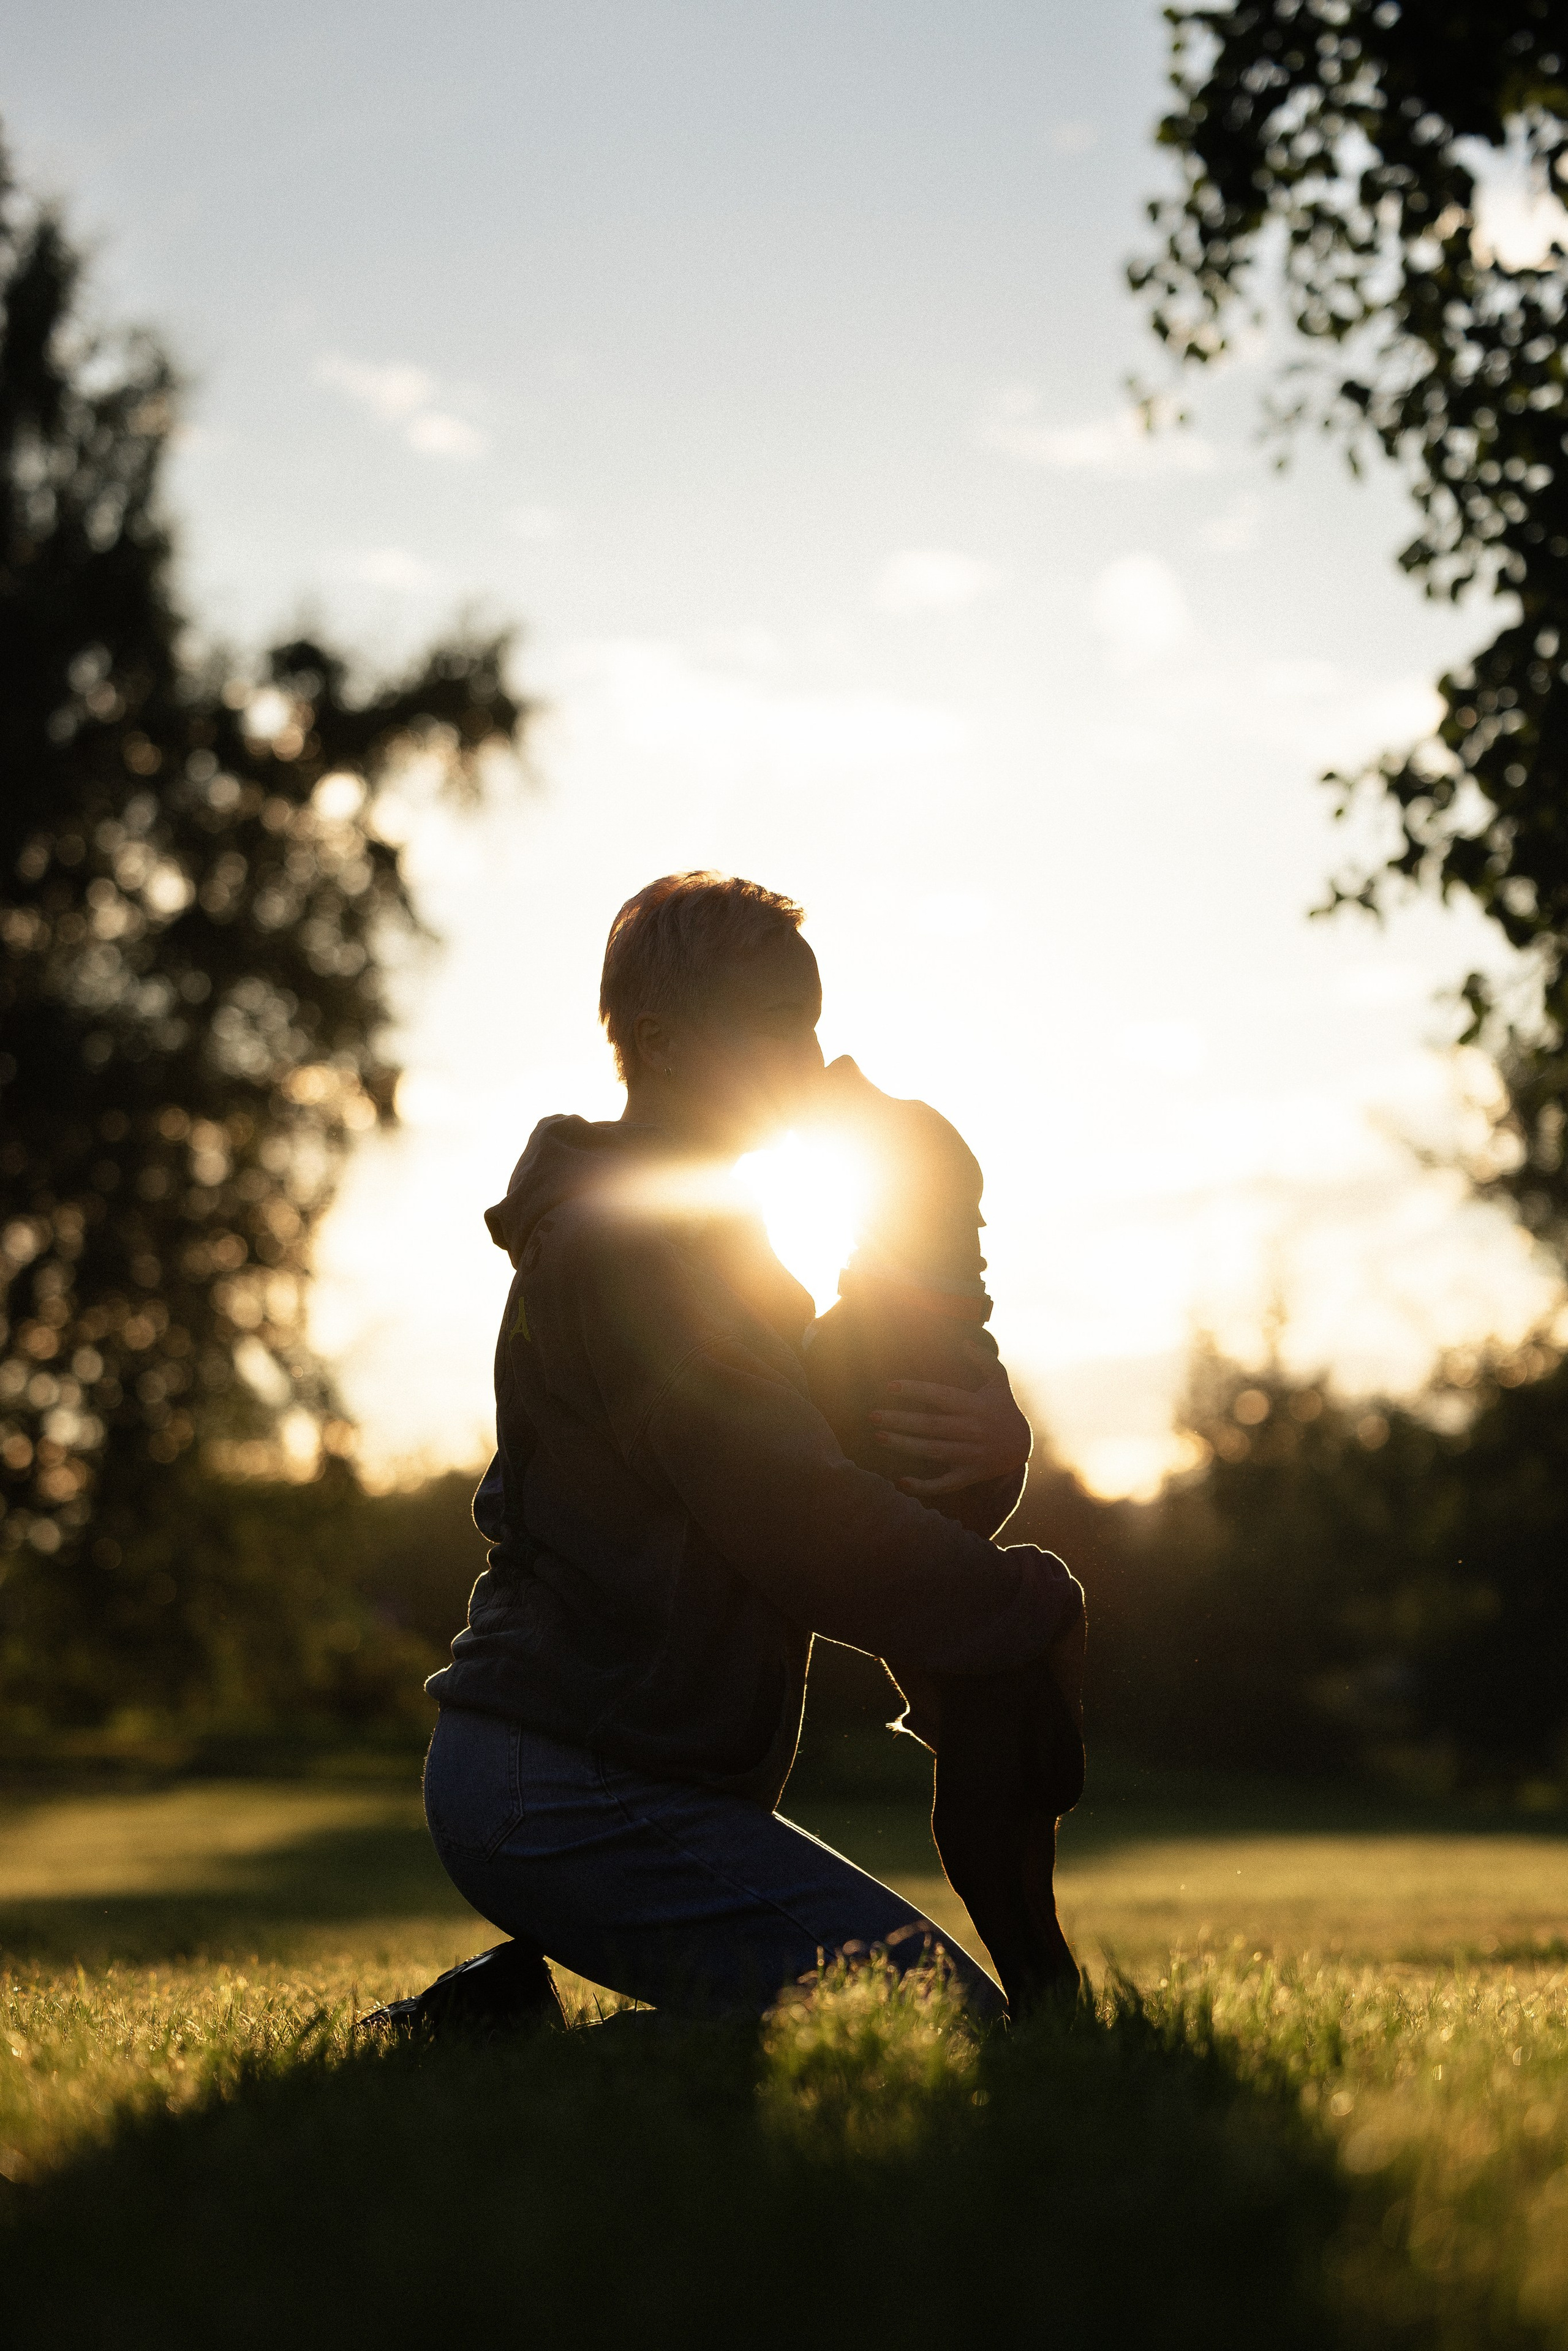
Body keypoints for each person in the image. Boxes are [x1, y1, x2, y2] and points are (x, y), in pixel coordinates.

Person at [369, 872, 1083, 2034]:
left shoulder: (714, 1249)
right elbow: (798, 1514)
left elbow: (850, 1444)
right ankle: (465, 2058)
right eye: (771, 1027)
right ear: (658, 1040)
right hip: (558, 1785)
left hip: (625, 1781)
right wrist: (1026, 1604)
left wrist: (990, 1418)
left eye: (811, 1026)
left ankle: (486, 2028)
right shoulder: (635, 1248)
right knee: (938, 2028)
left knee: (906, 2025)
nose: (806, 1063)